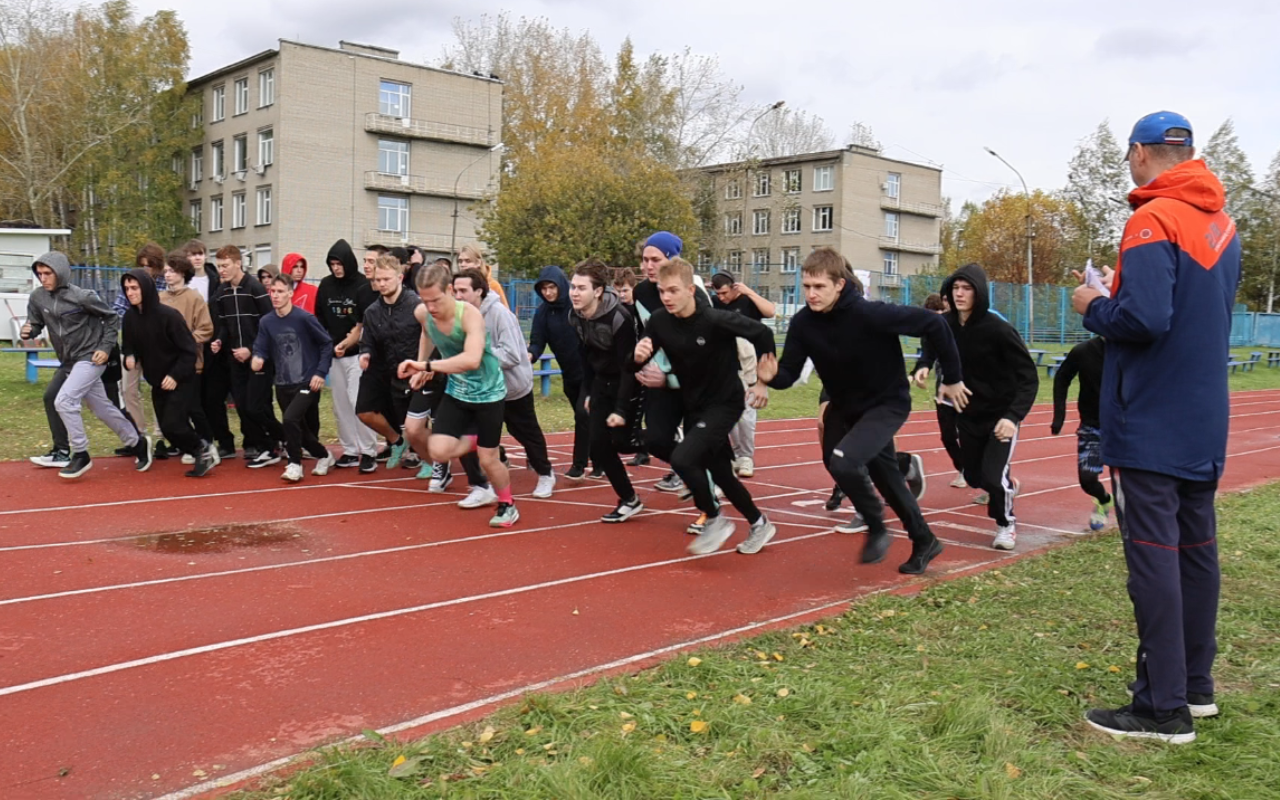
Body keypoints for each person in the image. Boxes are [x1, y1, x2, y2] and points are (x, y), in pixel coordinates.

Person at [1073, 111, 1239, 743]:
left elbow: (1143, 320)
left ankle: (1160, 707)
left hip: (1150, 418)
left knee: (1153, 560)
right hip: (1203, 415)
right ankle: (1195, 687)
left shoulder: (1151, 219)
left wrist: (1094, 306)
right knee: (1197, 553)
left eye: (1129, 157)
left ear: (1142, 153)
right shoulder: (1222, 223)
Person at [757, 247, 965, 575]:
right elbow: (790, 374)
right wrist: (770, 378)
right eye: (807, 286)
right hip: (847, 407)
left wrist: (952, 378)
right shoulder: (802, 324)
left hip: (887, 403)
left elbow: (934, 325)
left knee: (845, 461)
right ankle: (925, 540)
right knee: (876, 475)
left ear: (839, 284)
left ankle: (876, 525)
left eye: (819, 287)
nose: (811, 294)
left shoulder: (871, 314)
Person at [634, 258, 777, 554]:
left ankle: (714, 518)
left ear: (690, 290)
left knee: (684, 459)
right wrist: (637, 357)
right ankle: (760, 523)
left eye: (673, 290)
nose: (666, 297)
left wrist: (762, 382)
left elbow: (763, 334)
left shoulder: (714, 319)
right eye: (662, 291)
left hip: (725, 403)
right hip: (694, 406)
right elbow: (636, 361)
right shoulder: (660, 321)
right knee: (721, 472)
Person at [399, 263, 518, 527]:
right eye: (425, 300)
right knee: (438, 450)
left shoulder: (470, 316)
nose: (431, 307)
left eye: (436, 300)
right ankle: (477, 440)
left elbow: (471, 360)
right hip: (458, 392)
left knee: (489, 460)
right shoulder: (423, 312)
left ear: (451, 290)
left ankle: (507, 504)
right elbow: (427, 333)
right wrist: (421, 365)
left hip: (488, 394)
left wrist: (426, 366)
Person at [931, 264, 1039, 550]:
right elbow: (932, 347)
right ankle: (1006, 487)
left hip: (1000, 418)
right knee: (975, 477)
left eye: (967, 288)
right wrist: (924, 369)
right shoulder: (947, 325)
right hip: (968, 416)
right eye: (955, 288)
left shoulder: (999, 329)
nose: (960, 294)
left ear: (979, 293)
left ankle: (1006, 524)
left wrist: (1013, 417)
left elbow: (1029, 377)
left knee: (992, 478)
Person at [22, 252, 152, 478]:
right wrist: (30, 330)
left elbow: (111, 318)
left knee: (64, 400)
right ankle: (138, 443)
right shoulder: (37, 298)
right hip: (68, 361)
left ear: (60, 272)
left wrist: (104, 347)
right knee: (102, 408)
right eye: (39, 273)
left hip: (91, 357)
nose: (43, 278)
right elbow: (36, 323)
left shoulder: (82, 296)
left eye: (47, 273)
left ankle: (80, 454)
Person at [455, 269, 556, 498]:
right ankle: (480, 486)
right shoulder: (458, 316)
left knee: (524, 432)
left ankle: (545, 473)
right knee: (465, 434)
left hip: (511, 387)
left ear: (479, 291)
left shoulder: (500, 314)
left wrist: (478, 356)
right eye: (455, 291)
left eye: (463, 291)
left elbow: (512, 356)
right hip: (480, 389)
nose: (458, 296)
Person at [568, 260, 643, 523]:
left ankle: (668, 441)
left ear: (598, 291)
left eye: (581, 288)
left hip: (628, 382)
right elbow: (586, 355)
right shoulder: (575, 315)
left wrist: (622, 409)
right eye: (572, 287)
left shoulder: (619, 317)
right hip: (601, 383)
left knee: (622, 443)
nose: (574, 293)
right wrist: (588, 391)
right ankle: (629, 499)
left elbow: (628, 367)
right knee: (599, 445)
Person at [120, 269, 215, 477]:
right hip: (157, 381)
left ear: (145, 288)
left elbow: (189, 351)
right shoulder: (129, 318)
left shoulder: (169, 316)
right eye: (127, 288)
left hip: (181, 378)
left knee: (174, 423)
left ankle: (202, 449)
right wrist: (130, 356)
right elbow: (128, 345)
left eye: (134, 288)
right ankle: (201, 451)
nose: (130, 292)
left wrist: (174, 376)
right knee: (167, 427)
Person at [251, 274, 336, 482]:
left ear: (290, 293)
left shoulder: (304, 319)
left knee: (289, 419)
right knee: (300, 429)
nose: (276, 296)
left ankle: (294, 464)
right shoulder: (267, 322)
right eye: (273, 291)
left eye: (281, 291)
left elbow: (326, 344)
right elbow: (260, 348)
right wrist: (257, 358)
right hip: (282, 382)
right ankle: (324, 456)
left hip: (306, 380)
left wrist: (320, 372)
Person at [209, 244, 285, 467]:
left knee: (256, 406)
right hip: (235, 359)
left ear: (238, 263)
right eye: (218, 266)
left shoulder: (254, 288)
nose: (221, 270)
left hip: (259, 357)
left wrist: (251, 349)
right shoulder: (222, 292)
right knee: (242, 407)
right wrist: (220, 341)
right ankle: (266, 447)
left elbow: (269, 323)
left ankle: (285, 439)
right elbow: (224, 324)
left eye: (225, 266)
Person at [356, 255, 426, 474]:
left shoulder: (416, 305)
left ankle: (429, 459)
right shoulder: (372, 311)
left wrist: (423, 365)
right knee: (364, 410)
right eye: (378, 280)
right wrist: (365, 354)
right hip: (385, 369)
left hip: (415, 369)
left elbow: (430, 336)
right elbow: (367, 341)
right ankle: (397, 442)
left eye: (386, 279)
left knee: (416, 423)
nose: (382, 284)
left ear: (400, 278)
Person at [315, 239, 379, 472]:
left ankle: (369, 450)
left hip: (357, 354)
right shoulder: (325, 285)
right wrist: (328, 344)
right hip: (334, 355)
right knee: (340, 404)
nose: (336, 268)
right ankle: (350, 450)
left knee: (357, 401)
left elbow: (365, 323)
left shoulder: (363, 286)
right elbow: (320, 317)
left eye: (339, 263)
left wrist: (349, 342)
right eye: (332, 264)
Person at [633, 232, 689, 494]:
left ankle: (709, 499)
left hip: (695, 379)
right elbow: (646, 331)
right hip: (659, 376)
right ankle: (688, 468)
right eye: (645, 259)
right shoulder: (641, 292)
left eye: (655, 259)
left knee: (698, 440)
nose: (648, 266)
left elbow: (702, 349)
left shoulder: (693, 294)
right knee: (655, 440)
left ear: (672, 259)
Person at [709, 272, 776, 479]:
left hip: (749, 364)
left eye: (725, 293)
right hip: (724, 364)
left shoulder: (747, 301)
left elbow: (771, 311)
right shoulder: (714, 303)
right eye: (717, 293)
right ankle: (733, 455)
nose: (721, 297)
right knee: (727, 413)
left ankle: (745, 456)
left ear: (734, 288)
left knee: (746, 414)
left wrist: (749, 291)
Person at [529, 265, 593, 480]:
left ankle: (579, 465)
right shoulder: (542, 313)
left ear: (561, 285)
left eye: (552, 287)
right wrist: (530, 356)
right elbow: (537, 342)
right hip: (569, 374)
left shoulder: (576, 307)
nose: (548, 292)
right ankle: (600, 459)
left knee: (584, 415)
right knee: (584, 417)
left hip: (591, 372)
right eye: (544, 288)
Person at [158, 250, 219, 468]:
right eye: (165, 271)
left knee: (193, 407)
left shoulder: (194, 297)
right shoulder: (160, 298)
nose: (167, 275)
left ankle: (208, 444)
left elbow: (206, 328)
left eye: (172, 271)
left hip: (191, 362)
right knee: (174, 409)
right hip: (167, 364)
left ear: (183, 273)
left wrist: (185, 342)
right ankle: (190, 445)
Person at [1049, 337, 1113, 531]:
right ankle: (1103, 500)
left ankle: (1136, 519)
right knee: (1087, 479)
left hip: (1125, 427)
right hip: (1092, 425)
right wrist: (1059, 416)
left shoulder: (1130, 349)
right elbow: (1062, 378)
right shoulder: (1083, 351)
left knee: (1131, 480)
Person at [184, 239, 234, 457]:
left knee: (214, 398)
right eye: (192, 254)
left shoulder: (216, 281)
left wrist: (218, 339)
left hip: (214, 347)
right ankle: (201, 440)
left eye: (200, 253)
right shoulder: (183, 282)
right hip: (189, 346)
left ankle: (225, 442)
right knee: (194, 398)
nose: (196, 258)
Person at [116, 242, 166, 456]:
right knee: (128, 389)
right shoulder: (131, 282)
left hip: (157, 347)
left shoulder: (164, 282)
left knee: (160, 390)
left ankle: (162, 437)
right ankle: (137, 436)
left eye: (150, 266)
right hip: (132, 346)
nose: (147, 270)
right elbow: (118, 309)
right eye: (143, 265)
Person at [613, 267, 649, 467]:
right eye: (618, 291)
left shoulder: (640, 311)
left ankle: (642, 447)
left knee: (639, 410)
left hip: (642, 367)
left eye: (625, 290)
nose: (621, 295)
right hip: (624, 368)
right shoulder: (618, 311)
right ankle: (636, 444)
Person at [457, 244, 510, 308]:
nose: (462, 265)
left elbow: (505, 312)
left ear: (478, 263)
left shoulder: (493, 285)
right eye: (460, 261)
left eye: (468, 261)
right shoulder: (456, 285)